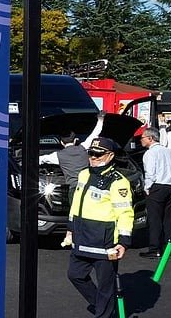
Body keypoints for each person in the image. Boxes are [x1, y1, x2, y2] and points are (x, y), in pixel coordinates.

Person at [67, 136, 135, 318]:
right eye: (91, 153)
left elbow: (125, 213)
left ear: (110, 156)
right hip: (82, 238)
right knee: (75, 275)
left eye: (98, 154)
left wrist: (124, 242)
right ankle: (102, 307)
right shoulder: (84, 174)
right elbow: (76, 203)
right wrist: (70, 228)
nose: (93, 157)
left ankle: (103, 312)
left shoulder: (118, 182)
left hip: (105, 243)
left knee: (106, 286)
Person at [139, 127, 171, 258]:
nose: (141, 140)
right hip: (170, 186)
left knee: (154, 219)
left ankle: (155, 248)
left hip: (157, 187)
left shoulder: (150, 153)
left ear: (150, 138)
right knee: (168, 219)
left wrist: (147, 188)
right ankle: (169, 249)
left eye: (142, 138)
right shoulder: (169, 152)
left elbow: (150, 173)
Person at [54, 131, 89, 248]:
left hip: (74, 189)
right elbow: (95, 134)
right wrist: (100, 122)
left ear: (61, 142)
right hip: (88, 187)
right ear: (75, 140)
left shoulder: (58, 155)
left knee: (74, 213)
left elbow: (40, 159)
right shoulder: (84, 148)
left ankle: (72, 237)